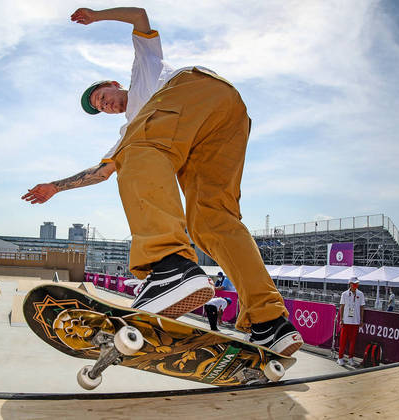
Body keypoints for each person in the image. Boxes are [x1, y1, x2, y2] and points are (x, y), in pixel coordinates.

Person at [22, 7, 302, 355]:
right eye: (101, 107)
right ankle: (270, 321)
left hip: (191, 89)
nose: (106, 104)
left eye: (103, 96)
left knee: (136, 150)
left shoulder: (145, 70)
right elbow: (101, 172)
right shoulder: (131, 129)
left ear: (114, 83)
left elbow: (139, 15)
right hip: (228, 116)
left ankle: (168, 264)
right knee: (212, 220)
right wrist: (55, 187)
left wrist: (97, 15)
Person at [337, 278, 366, 366]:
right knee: (343, 341)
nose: (356, 285)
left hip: (356, 322)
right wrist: (341, 319)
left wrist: (361, 320)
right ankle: (340, 358)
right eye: (354, 283)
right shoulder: (344, 294)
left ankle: (350, 358)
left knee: (353, 342)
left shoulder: (360, 294)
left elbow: (362, 308)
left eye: (357, 283)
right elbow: (342, 307)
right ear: (350, 284)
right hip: (346, 321)